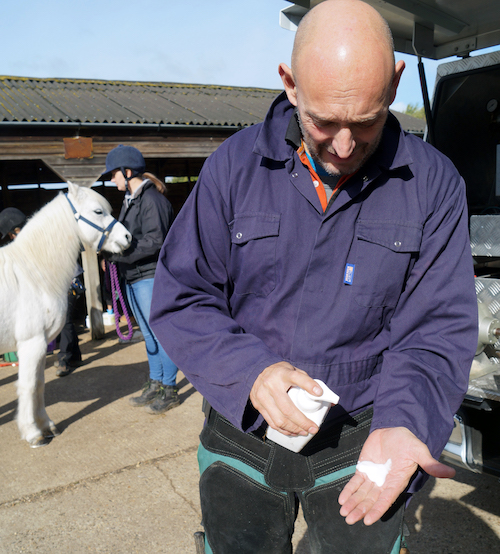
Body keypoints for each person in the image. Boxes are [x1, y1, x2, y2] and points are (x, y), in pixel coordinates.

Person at [150, 1, 478, 552]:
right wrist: (249, 371)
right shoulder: (233, 167)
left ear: (396, 82)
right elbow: (182, 295)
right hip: (242, 432)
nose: (344, 147)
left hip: (363, 439)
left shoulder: (433, 184)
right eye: (324, 122)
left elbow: (436, 328)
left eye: (367, 121)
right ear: (290, 84)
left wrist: (407, 420)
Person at [102, 145, 180, 414]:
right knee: (147, 335)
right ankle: (156, 382)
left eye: (114, 174)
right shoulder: (131, 201)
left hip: (150, 276)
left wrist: (120, 255)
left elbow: (155, 241)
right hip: (134, 276)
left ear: (127, 171)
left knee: (160, 334)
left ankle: (169, 388)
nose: (112, 179)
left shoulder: (151, 201)